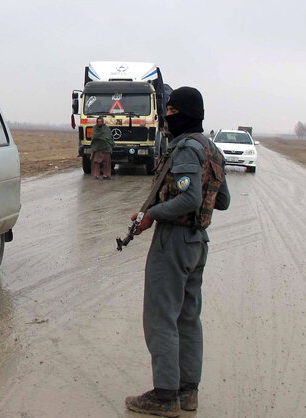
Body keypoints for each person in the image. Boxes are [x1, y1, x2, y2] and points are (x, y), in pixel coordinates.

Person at [124, 87, 230, 417]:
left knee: (160, 317)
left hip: (174, 241)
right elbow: (221, 200)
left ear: (182, 115)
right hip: (198, 242)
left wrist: (152, 215)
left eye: (170, 112)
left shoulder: (185, 148)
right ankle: (188, 392)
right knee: (187, 318)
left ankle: (165, 395)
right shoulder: (211, 148)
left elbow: (190, 199)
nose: (167, 118)